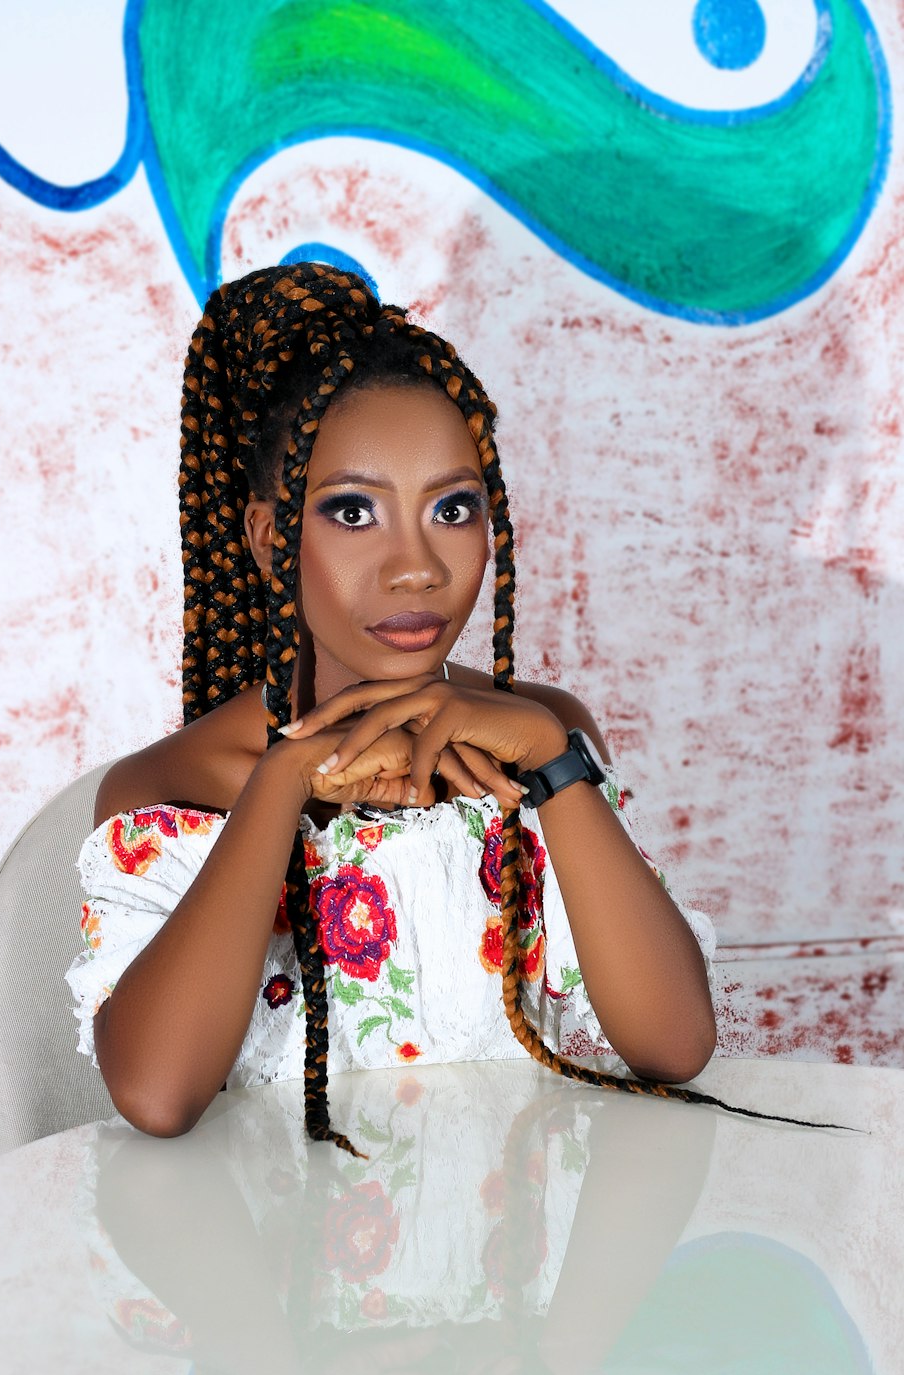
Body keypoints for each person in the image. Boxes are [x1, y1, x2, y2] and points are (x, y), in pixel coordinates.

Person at [65, 261, 766, 1155]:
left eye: (453, 508)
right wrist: (284, 781)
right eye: (353, 512)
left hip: (519, 1274)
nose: (418, 567)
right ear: (271, 535)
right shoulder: (177, 787)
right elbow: (159, 1095)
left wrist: (556, 762)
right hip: (270, 1274)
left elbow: (673, 1044)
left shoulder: (541, 739)